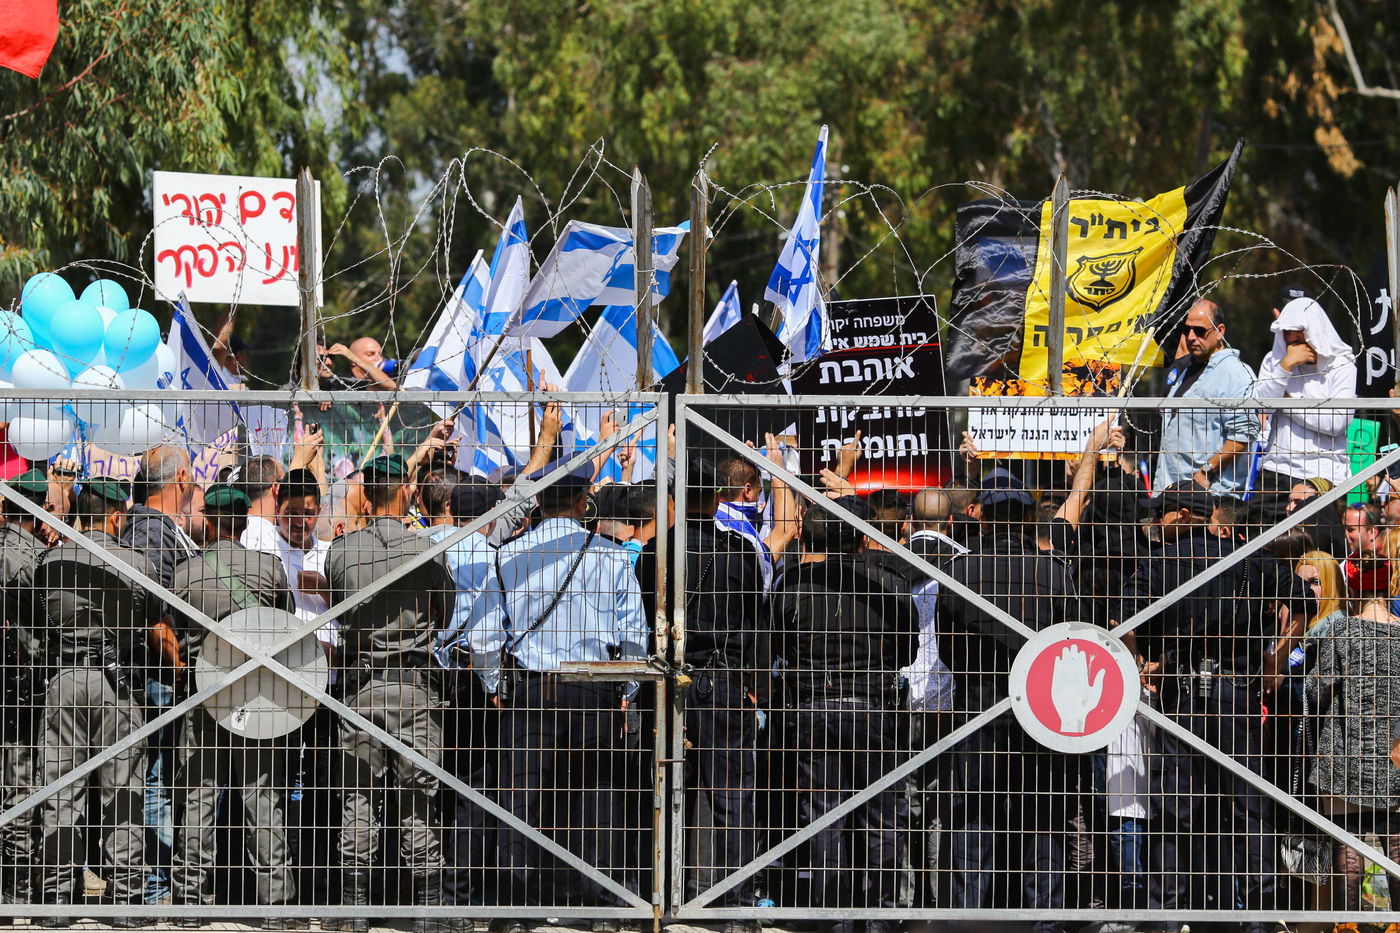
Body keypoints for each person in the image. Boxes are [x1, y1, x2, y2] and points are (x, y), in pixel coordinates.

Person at [470, 461, 649, 933]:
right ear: (580, 500)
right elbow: (634, 634)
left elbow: (484, 634)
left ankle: (515, 907)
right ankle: (602, 906)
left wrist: (495, 685)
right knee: (597, 797)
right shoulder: (611, 556)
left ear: (538, 502)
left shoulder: (509, 555)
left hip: (534, 688)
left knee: (521, 798)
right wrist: (627, 689)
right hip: (593, 687)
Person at [1117, 480, 1296, 929]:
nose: (1154, 524)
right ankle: (1257, 917)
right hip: (1237, 691)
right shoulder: (1249, 557)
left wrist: (1140, 664)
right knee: (1247, 806)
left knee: (1176, 805)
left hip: (1182, 691)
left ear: (1181, 515)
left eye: (1160, 515)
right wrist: (1275, 660)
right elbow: (1302, 601)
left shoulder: (1163, 560)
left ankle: (1168, 914)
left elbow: (1124, 618)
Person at [939, 467, 1081, 930]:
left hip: (978, 704)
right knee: (1043, 812)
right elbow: (1069, 642)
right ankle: (1046, 917)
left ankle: (968, 917)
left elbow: (946, 646)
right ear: (1027, 518)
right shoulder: (1051, 572)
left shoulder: (959, 572)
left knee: (973, 813)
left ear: (981, 517)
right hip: (1041, 709)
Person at [770, 496, 917, 929]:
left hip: (813, 706)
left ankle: (833, 916)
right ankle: (880, 915)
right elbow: (907, 650)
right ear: (861, 538)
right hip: (872, 706)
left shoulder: (793, 584)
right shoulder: (888, 583)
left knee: (824, 815)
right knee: (881, 813)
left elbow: (778, 645)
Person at [324, 454, 454, 933]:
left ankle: (355, 909)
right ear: (405, 491)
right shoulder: (428, 550)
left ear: (366, 495)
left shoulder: (340, 553)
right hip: (413, 686)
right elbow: (443, 613)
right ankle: (426, 909)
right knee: (418, 798)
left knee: (357, 799)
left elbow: (339, 610)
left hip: (361, 686)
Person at [167, 484, 299, 926]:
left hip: (204, 695)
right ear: (243, 523)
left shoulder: (185, 573)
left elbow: (176, 627)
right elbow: (286, 623)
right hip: (257, 696)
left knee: (199, 799)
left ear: (207, 520)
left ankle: (189, 900)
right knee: (262, 802)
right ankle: (275, 904)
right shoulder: (269, 569)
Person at [34, 478, 156, 928]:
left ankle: (57, 897)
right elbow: (148, 617)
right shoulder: (136, 562)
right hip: (117, 683)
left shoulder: (51, 560)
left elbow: (39, 617)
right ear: (115, 515)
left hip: (66, 678)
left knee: (60, 790)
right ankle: (125, 898)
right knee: (123, 790)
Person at [680, 458, 766, 928]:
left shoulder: (659, 551)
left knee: (667, 786)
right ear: (718, 497)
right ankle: (736, 902)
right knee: (731, 793)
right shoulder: (739, 552)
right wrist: (754, 685)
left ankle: (668, 889)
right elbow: (756, 622)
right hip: (724, 680)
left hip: (671, 680)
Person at [121, 445, 200, 907]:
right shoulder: (152, 530)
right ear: (182, 478)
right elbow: (153, 614)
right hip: (160, 676)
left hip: (160, 673)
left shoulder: (152, 527)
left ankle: (156, 884)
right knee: (159, 778)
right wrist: (181, 667)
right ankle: (155, 888)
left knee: (161, 778)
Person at [421, 471, 503, 917]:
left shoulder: (417, 545)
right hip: (468, 679)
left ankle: (421, 886)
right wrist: (492, 686)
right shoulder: (489, 557)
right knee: (471, 783)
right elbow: (488, 633)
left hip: (420, 675)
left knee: (420, 782)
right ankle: (459, 892)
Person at [1304, 599, 1400, 913]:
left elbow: (1317, 691)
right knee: (1397, 848)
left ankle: (1348, 924)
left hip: (1344, 758)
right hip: (1395, 759)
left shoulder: (1341, 630)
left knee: (1348, 850)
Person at [1250, 292, 1358, 525]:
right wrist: (1285, 366)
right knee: (1261, 541)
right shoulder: (1275, 361)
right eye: (1287, 333)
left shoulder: (1342, 364)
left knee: (1317, 545)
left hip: (1324, 474)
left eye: (1298, 332)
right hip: (1276, 471)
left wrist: (1288, 402)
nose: (1292, 339)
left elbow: (1336, 423)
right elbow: (1263, 407)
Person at [0, 468, 51, 904]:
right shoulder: (36, 559)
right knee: (20, 785)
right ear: (40, 511)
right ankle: (16, 890)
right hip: (23, 683)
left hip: (13, 679)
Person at [1154, 298, 1261, 497]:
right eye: (1186, 330)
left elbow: (1243, 434)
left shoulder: (1235, 374)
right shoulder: (1187, 369)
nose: (1191, 337)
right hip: (1171, 488)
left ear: (1220, 331)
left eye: (1200, 331)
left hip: (1208, 495)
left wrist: (1206, 471)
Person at [1343, 503, 1389, 599]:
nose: (1345, 534)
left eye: (1350, 529)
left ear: (1372, 532)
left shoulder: (1388, 561)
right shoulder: (1348, 561)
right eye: (1344, 529)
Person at [317, 337, 398, 391]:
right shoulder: (338, 382)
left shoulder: (365, 384)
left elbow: (392, 386)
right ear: (352, 360)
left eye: (380, 354)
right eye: (370, 354)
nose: (379, 358)